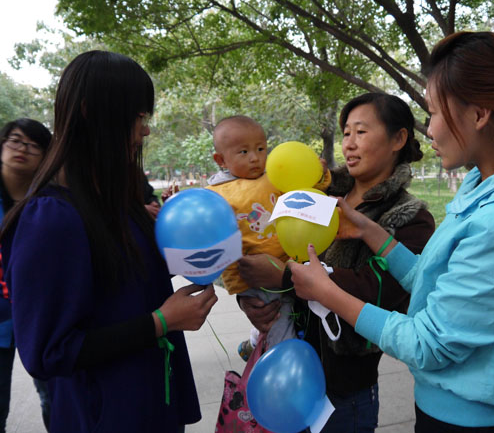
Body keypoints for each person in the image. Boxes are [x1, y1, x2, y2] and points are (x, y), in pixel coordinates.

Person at [288, 31, 494, 432]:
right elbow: (437, 279)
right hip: (447, 408)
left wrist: (326, 292)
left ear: (479, 114)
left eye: (436, 113)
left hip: (475, 421)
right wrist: (371, 233)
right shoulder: (486, 185)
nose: (430, 130)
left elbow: (429, 344)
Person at [0, 51, 218, 433]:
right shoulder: (51, 219)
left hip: (151, 401)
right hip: (106, 414)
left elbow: (126, 281)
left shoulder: (115, 200)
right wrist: (161, 322)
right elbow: (47, 351)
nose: (145, 131)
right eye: (137, 117)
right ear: (89, 112)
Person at [238, 93, 435, 432]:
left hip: (344, 390)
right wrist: (253, 299)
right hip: (284, 370)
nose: (350, 144)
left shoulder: (410, 218)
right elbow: (276, 245)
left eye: (361, 132)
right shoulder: (315, 195)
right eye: (346, 133)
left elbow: (378, 292)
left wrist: (284, 277)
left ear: (398, 139)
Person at [205, 115, 330, 357]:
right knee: (280, 329)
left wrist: (317, 173)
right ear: (220, 159)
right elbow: (220, 244)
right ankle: (284, 366)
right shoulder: (217, 195)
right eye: (243, 152)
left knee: (297, 313)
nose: (255, 157)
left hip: (290, 265)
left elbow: (307, 192)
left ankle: (254, 343)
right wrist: (239, 287)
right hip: (256, 278)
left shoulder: (274, 176)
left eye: (260, 149)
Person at [0, 119, 52, 432]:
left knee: (53, 398)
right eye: (16, 140)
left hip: (43, 319)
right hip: (1, 321)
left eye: (33, 145)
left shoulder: (49, 202)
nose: (22, 149)